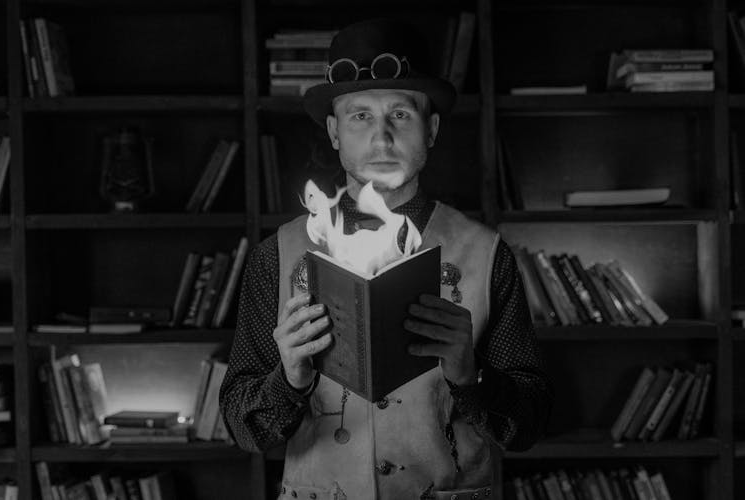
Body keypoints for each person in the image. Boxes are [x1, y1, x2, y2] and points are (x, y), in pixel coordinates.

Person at [220, 18, 552, 500]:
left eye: (400, 114)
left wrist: (471, 374)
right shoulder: (277, 257)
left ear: (431, 128)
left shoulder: (486, 254)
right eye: (360, 116)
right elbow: (244, 429)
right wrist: (287, 380)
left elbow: (528, 426)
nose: (381, 139)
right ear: (334, 131)